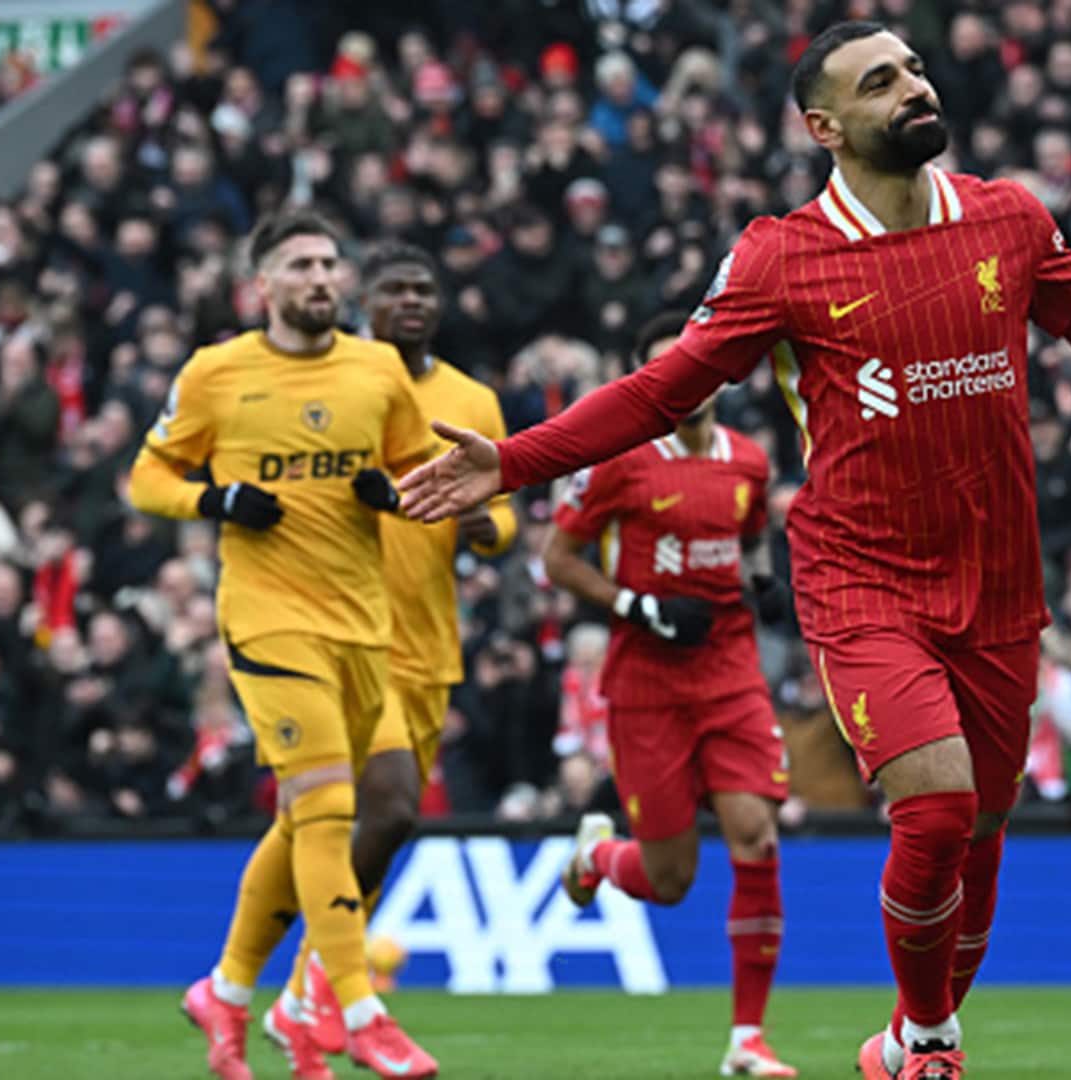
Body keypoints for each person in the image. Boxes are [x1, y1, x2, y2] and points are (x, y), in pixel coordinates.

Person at [397, 22, 1071, 1080]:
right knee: (938, 807)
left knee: (984, 829)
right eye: (880, 81)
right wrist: (515, 461)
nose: (914, 87)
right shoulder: (782, 256)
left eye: (913, 68)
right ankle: (931, 1041)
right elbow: (660, 391)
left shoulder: (1007, 217)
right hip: (861, 577)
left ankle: (908, 1040)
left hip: (998, 579)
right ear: (824, 127)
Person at [126, 210, 440, 1080]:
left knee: (352, 809)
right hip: (269, 620)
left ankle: (226, 991)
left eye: (330, 264)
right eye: (300, 265)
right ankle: (355, 1010)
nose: (320, 278)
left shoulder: (378, 370)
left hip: (364, 624)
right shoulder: (216, 372)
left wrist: (390, 494)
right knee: (328, 808)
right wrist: (212, 501)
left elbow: (420, 472)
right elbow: (146, 476)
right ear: (261, 285)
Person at [267, 242, 516, 1076]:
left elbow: (506, 511)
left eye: (424, 288)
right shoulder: (330, 383)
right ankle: (303, 990)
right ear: (362, 302)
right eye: (395, 289)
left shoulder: (472, 399)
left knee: (372, 825)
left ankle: (296, 994)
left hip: (425, 647)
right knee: (375, 811)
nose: (412, 301)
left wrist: (488, 528)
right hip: (334, 635)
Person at [544, 310, 796, 1078]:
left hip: (729, 671)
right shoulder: (617, 460)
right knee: (670, 880)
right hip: (647, 682)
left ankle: (747, 1040)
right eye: (666, 368)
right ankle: (597, 854)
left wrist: (763, 582)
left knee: (757, 837)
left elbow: (749, 540)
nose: (685, 380)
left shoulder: (748, 460)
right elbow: (558, 558)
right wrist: (636, 606)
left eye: (694, 364)